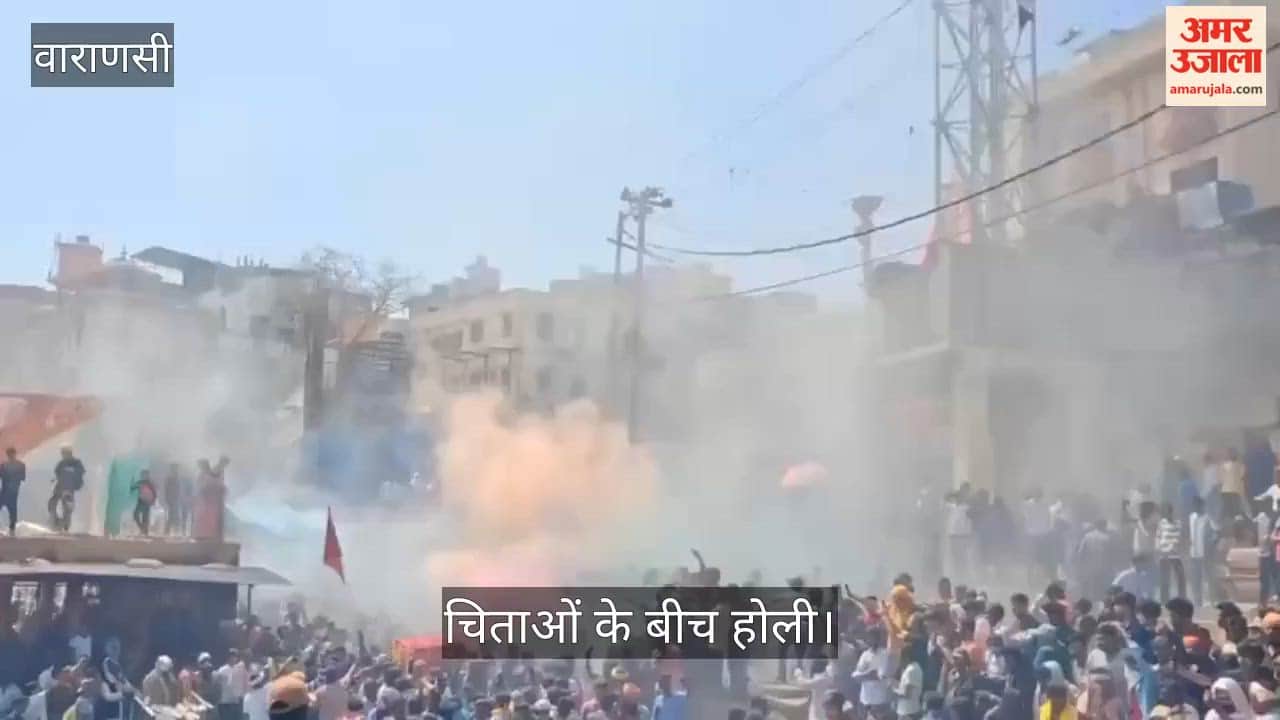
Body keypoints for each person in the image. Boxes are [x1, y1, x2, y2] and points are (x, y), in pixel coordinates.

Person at [1188, 497, 1217, 607]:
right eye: (1195, 506)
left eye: (1199, 506)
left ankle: (1212, 601)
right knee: (1196, 579)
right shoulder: (1191, 517)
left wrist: (1210, 545)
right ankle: (1197, 602)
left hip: (1205, 555)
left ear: (1202, 506)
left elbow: (1216, 534)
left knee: (1209, 578)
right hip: (1194, 554)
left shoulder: (1208, 519)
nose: (1197, 508)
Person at [193, 457, 230, 541]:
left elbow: (218, 483)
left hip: (214, 500)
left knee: (213, 518)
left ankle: (213, 535)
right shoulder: (206, 474)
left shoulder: (216, 472)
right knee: (205, 517)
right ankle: (203, 535)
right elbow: (201, 486)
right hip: (206, 500)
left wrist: (222, 490)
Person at [49, 448, 84, 533]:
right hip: (64, 487)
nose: (63, 456)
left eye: (63, 454)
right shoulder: (67, 463)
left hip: (65, 488)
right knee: (56, 504)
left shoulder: (73, 463)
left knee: (64, 506)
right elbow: (57, 473)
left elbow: (58, 472)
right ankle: (60, 523)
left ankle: (63, 524)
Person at [1157, 503, 1187, 602]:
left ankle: (1182, 599)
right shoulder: (1161, 523)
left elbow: (1179, 537)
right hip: (1164, 555)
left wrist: (1173, 547)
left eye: (1169, 512)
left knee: (1180, 578)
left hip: (1175, 555)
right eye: (1165, 512)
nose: (1168, 514)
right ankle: (1164, 600)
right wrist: (1159, 548)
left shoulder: (1178, 523)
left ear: (1171, 512)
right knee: (1164, 579)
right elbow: (1158, 537)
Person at [214, 650, 248, 720]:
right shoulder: (222, 670)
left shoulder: (240, 668)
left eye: (235, 656)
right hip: (225, 702)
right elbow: (217, 684)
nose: (233, 658)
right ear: (228, 657)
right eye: (231, 656)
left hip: (237, 701)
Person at [0, 448, 26, 536]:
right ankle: (12, 529)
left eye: (12, 454)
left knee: (13, 511)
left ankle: (12, 529)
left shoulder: (20, 465)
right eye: (9, 454)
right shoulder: (4, 465)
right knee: (12, 510)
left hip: (12, 492)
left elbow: (22, 477)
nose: (11, 456)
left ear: (15, 454)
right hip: (6, 491)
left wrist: (11, 477)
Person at [162, 464, 190, 536]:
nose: (176, 470)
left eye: (176, 468)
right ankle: (168, 531)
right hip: (172, 499)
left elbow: (182, 489)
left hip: (179, 499)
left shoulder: (180, 478)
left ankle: (178, 531)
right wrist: (167, 498)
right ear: (171, 469)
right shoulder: (169, 478)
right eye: (174, 468)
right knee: (172, 515)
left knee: (179, 515)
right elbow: (166, 489)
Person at [1222, 449, 1249, 521]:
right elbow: (1243, 476)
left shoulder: (1224, 465)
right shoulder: (1241, 465)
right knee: (1239, 509)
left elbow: (1221, 479)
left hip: (1226, 491)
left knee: (1230, 511)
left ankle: (1233, 522)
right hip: (1237, 490)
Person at [131, 470, 157, 537]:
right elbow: (133, 488)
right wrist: (132, 482)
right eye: (143, 475)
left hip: (145, 501)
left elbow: (154, 493)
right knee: (139, 515)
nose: (143, 476)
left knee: (143, 517)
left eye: (145, 475)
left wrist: (153, 501)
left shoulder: (149, 483)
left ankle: (144, 531)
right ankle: (143, 529)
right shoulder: (142, 482)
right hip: (142, 501)